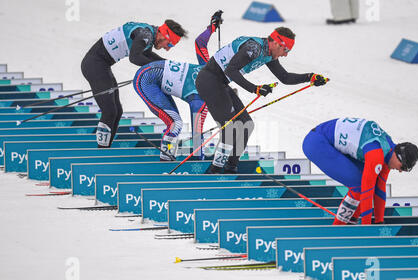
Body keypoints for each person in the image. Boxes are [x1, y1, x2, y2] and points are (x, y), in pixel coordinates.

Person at [195, 27, 329, 174]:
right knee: (230, 128)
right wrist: (255, 88)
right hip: (209, 81)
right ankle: (215, 170)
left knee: (247, 124)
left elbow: (284, 77)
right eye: (286, 50)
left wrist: (310, 77)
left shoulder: (268, 54)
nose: (285, 55)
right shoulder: (254, 48)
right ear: (277, 44)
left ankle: (230, 167)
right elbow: (231, 71)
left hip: (221, 83)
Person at [81, 20, 187, 148]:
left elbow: (147, 55)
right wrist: (159, 67)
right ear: (163, 34)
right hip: (95, 65)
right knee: (109, 111)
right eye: (169, 44)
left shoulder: (147, 35)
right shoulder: (145, 34)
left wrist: (169, 65)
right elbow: (135, 58)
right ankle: (101, 151)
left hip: (101, 65)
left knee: (117, 111)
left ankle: (105, 148)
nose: (167, 48)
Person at [133, 11, 224, 161]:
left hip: (151, 76)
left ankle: (167, 156)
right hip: (147, 79)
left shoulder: (207, 67)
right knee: (175, 123)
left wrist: (212, 27)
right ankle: (165, 160)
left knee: (176, 123)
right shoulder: (201, 101)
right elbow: (196, 135)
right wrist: (198, 161)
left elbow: (200, 43)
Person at [302, 117, 418, 225]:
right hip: (316, 143)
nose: (400, 171)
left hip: (326, 139)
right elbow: (367, 191)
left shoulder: (388, 150)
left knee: (367, 181)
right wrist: (366, 226)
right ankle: (338, 228)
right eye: (403, 167)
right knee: (358, 185)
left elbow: (380, 188)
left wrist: (379, 221)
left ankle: (350, 221)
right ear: (399, 156)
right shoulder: (377, 154)